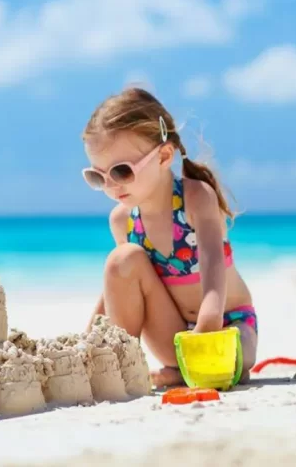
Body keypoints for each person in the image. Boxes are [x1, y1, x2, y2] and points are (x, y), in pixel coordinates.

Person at [81, 87, 257, 388]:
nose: (111, 186)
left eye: (122, 171)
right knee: (122, 259)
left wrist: (210, 319)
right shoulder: (123, 220)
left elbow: (213, 261)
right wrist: (88, 340)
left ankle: (185, 373)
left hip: (228, 322)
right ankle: (119, 363)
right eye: (98, 177)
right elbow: (115, 286)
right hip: (173, 335)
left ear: (163, 156)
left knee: (230, 369)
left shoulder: (195, 198)